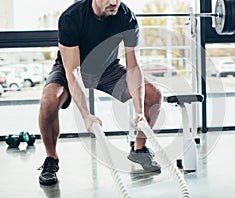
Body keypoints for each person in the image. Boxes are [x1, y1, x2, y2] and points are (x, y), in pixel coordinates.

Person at [38, 0, 162, 186]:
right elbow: (73, 71)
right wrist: (86, 115)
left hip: (107, 70)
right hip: (70, 69)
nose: (113, 2)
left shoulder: (126, 17)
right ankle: (51, 159)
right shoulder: (71, 18)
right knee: (49, 101)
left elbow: (133, 67)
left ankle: (139, 149)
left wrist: (139, 112)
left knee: (153, 95)